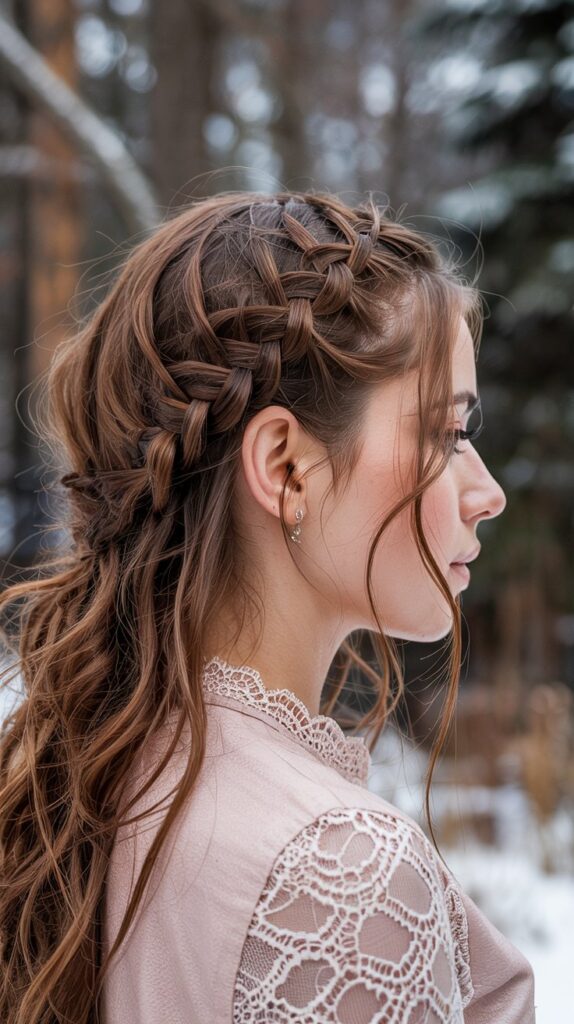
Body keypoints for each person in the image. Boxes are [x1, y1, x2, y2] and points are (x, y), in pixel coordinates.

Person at [0, 191, 536, 1024]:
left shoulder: (83, 777)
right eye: (446, 434)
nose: (488, 493)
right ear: (286, 468)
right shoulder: (340, 871)